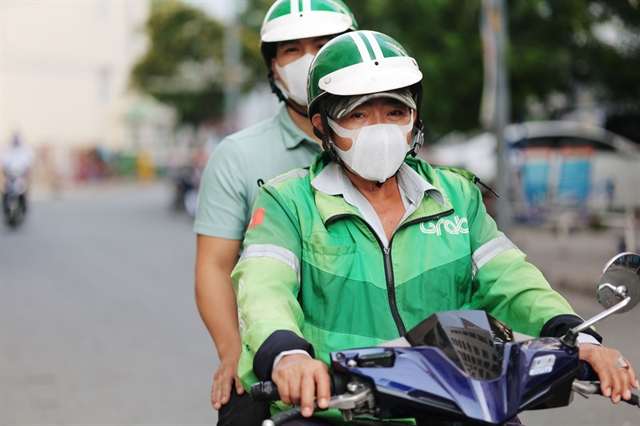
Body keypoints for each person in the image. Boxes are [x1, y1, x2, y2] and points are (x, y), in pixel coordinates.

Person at [231, 31, 639, 424]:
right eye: (357, 113)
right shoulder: (288, 202)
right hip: (333, 407)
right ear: (322, 124)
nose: (381, 129)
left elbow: (512, 279)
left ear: (414, 117)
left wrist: (577, 338)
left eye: (395, 111)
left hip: (456, 403)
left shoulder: (456, 196)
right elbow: (264, 288)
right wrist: (289, 356)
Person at [193, 0, 358, 423]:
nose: (308, 60)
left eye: (323, 44)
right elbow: (214, 265)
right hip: (271, 357)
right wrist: (234, 353)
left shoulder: (384, 142)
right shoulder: (238, 156)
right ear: (273, 68)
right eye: (291, 50)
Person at [1, 133, 34, 215]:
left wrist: (28, 175)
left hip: (20, 176)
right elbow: (3, 164)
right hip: (9, 176)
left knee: (23, 189)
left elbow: (28, 165)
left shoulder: (24, 151)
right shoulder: (7, 150)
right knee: (5, 190)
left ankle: (24, 207)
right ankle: (5, 209)